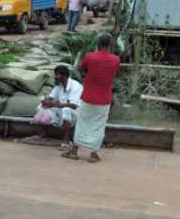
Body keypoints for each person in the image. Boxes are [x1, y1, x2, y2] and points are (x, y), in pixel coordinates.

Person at [62, 33, 121, 163]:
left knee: (82, 124)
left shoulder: (89, 57)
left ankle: (74, 151)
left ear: (98, 44)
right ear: (110, 45)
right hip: (104, 99)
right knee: (98, 126)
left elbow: (81, 69)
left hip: (88, 96)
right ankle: (93, 154)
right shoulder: (116, 60)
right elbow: (114, 74)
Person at [36, 65, 83, 146]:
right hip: (62, 110)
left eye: (57, 75)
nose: (55, 77)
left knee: (66, 110)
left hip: (76, 113)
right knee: (42, 107)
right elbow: (51, 98)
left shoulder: (75, 86)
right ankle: (43, 134)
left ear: (64, 76)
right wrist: (45, 101)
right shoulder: (59, 86)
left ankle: (66, 140)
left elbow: (74, 105)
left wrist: (54, 104)